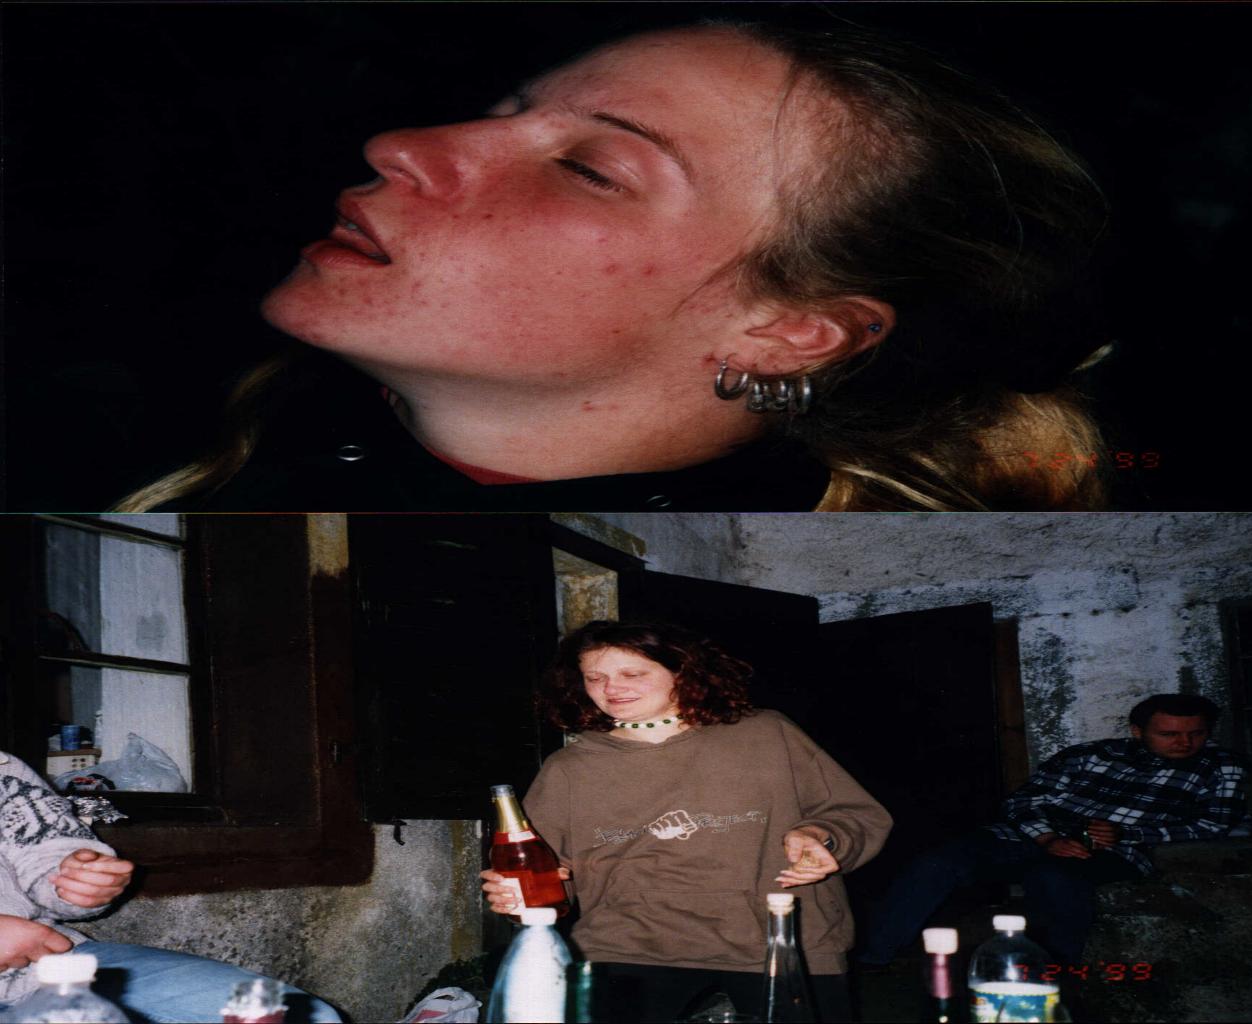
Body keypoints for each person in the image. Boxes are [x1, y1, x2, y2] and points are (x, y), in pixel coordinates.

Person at [116, 16, 1111, 513]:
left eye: (589, 169)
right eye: (506, 112)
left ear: (785, 332)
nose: (402, 144)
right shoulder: (160, 430)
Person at [479, 620, 893, 1023]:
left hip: (780, 937)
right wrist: (522, 895)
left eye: (632, 673)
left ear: (681, 671)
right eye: (595, 678)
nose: (611, 688)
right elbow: (549, 874)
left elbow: (856, 814)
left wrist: (823, 836)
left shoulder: (766, 734)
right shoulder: (570, 768)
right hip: (627, 945)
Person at [856, 694, 1248, 968]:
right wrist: (1046, 837)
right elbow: (1023, 801)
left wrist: (1127, 835)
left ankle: (1057, 977)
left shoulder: (1220, 767)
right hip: (1032, 836)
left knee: (1054, 879)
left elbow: (1215, 825)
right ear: (1137, 731)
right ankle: (874, 958)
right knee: (939, 862)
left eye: (1196, 733)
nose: (1184, 743)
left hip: (1116, 849)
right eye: (1169, 734)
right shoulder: (1089, 755)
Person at [0, 751, 342, 1023]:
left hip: (49, 969)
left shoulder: (4, 770)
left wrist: (80, 881)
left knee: (302, 1017)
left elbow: (49, 859)